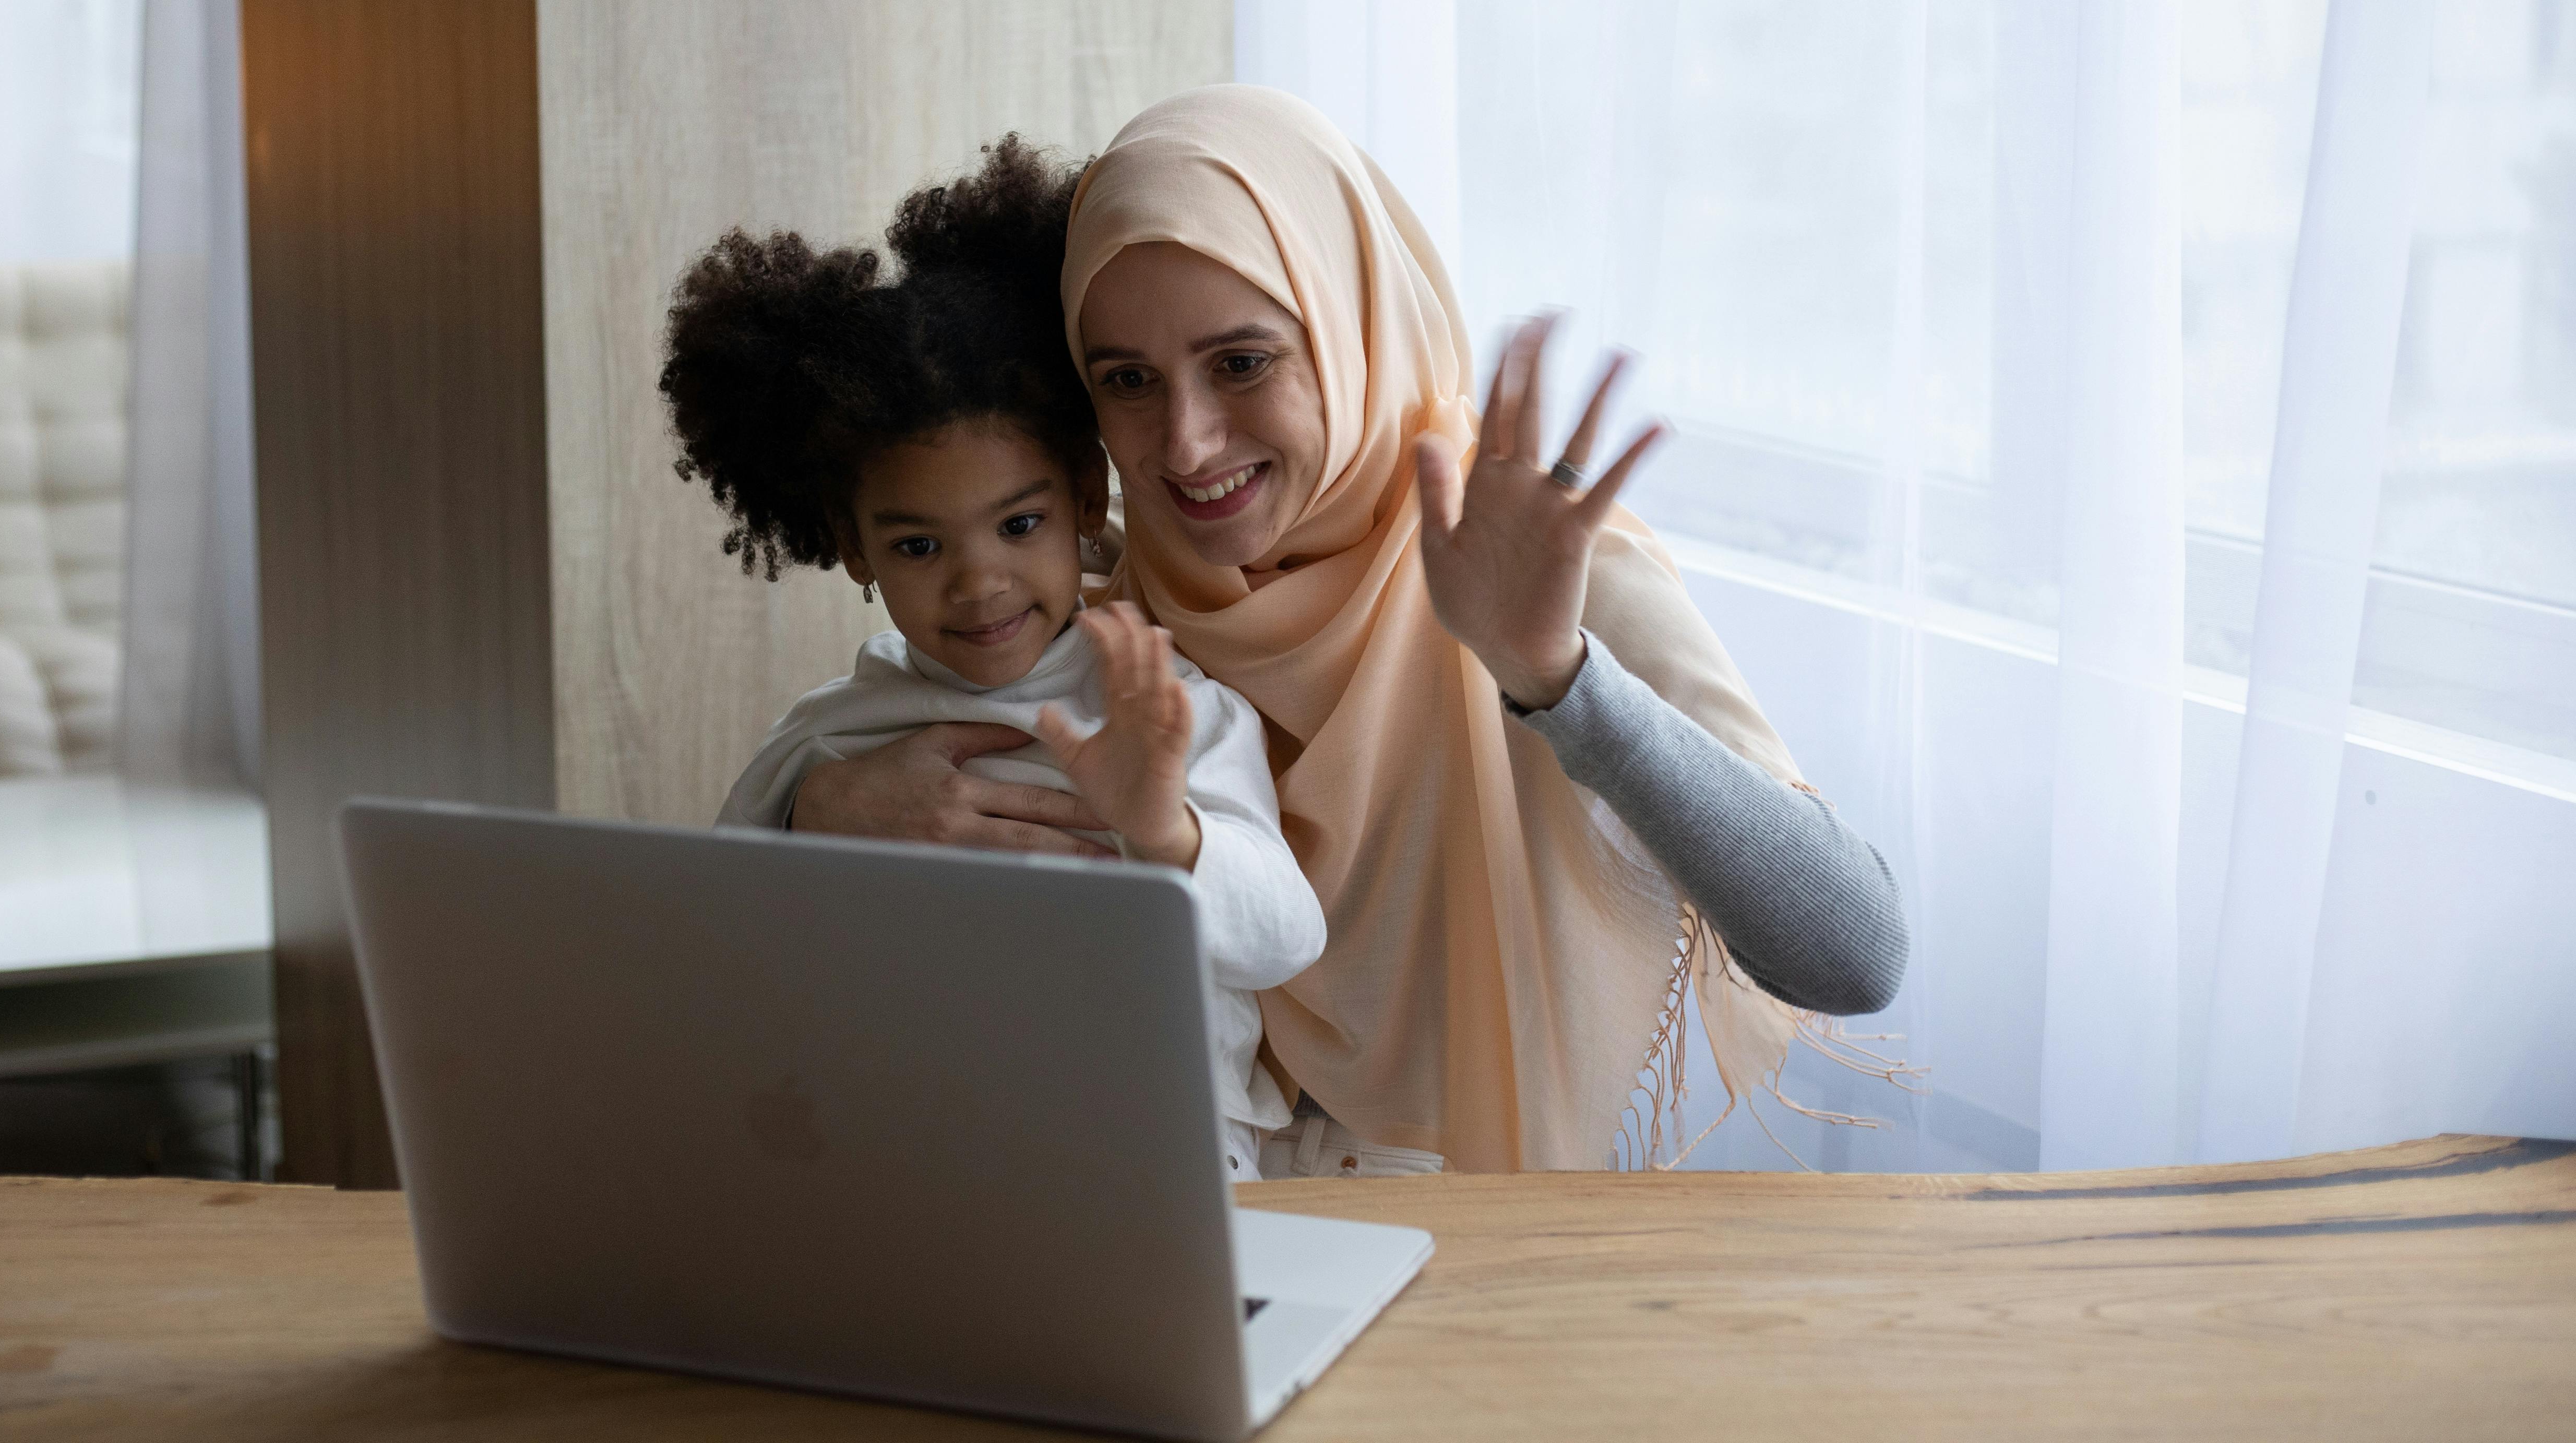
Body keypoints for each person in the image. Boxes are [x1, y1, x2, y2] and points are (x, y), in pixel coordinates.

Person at [793, 88, 1910, 1174]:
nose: (1185, 445)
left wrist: (1554, 677)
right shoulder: (1106, 595)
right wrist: (815, 810)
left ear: (1350, 326)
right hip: (1190, 1213)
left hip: (1491, 1232)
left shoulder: (1532, 563)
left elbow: (1854, 955)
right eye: (1127, 380)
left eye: (1242, 363)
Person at [660, 138, 1326, 1177]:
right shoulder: (829, 735)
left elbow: (1286, 938)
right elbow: (718, 928)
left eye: (1018, 527)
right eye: (920, 546)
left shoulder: (1164, 707)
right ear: (852, 545)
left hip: (1160, 1159)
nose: (978, 585)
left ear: (1082, 501)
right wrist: (808, 819)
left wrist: (1166, 830)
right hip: (912, 1154)